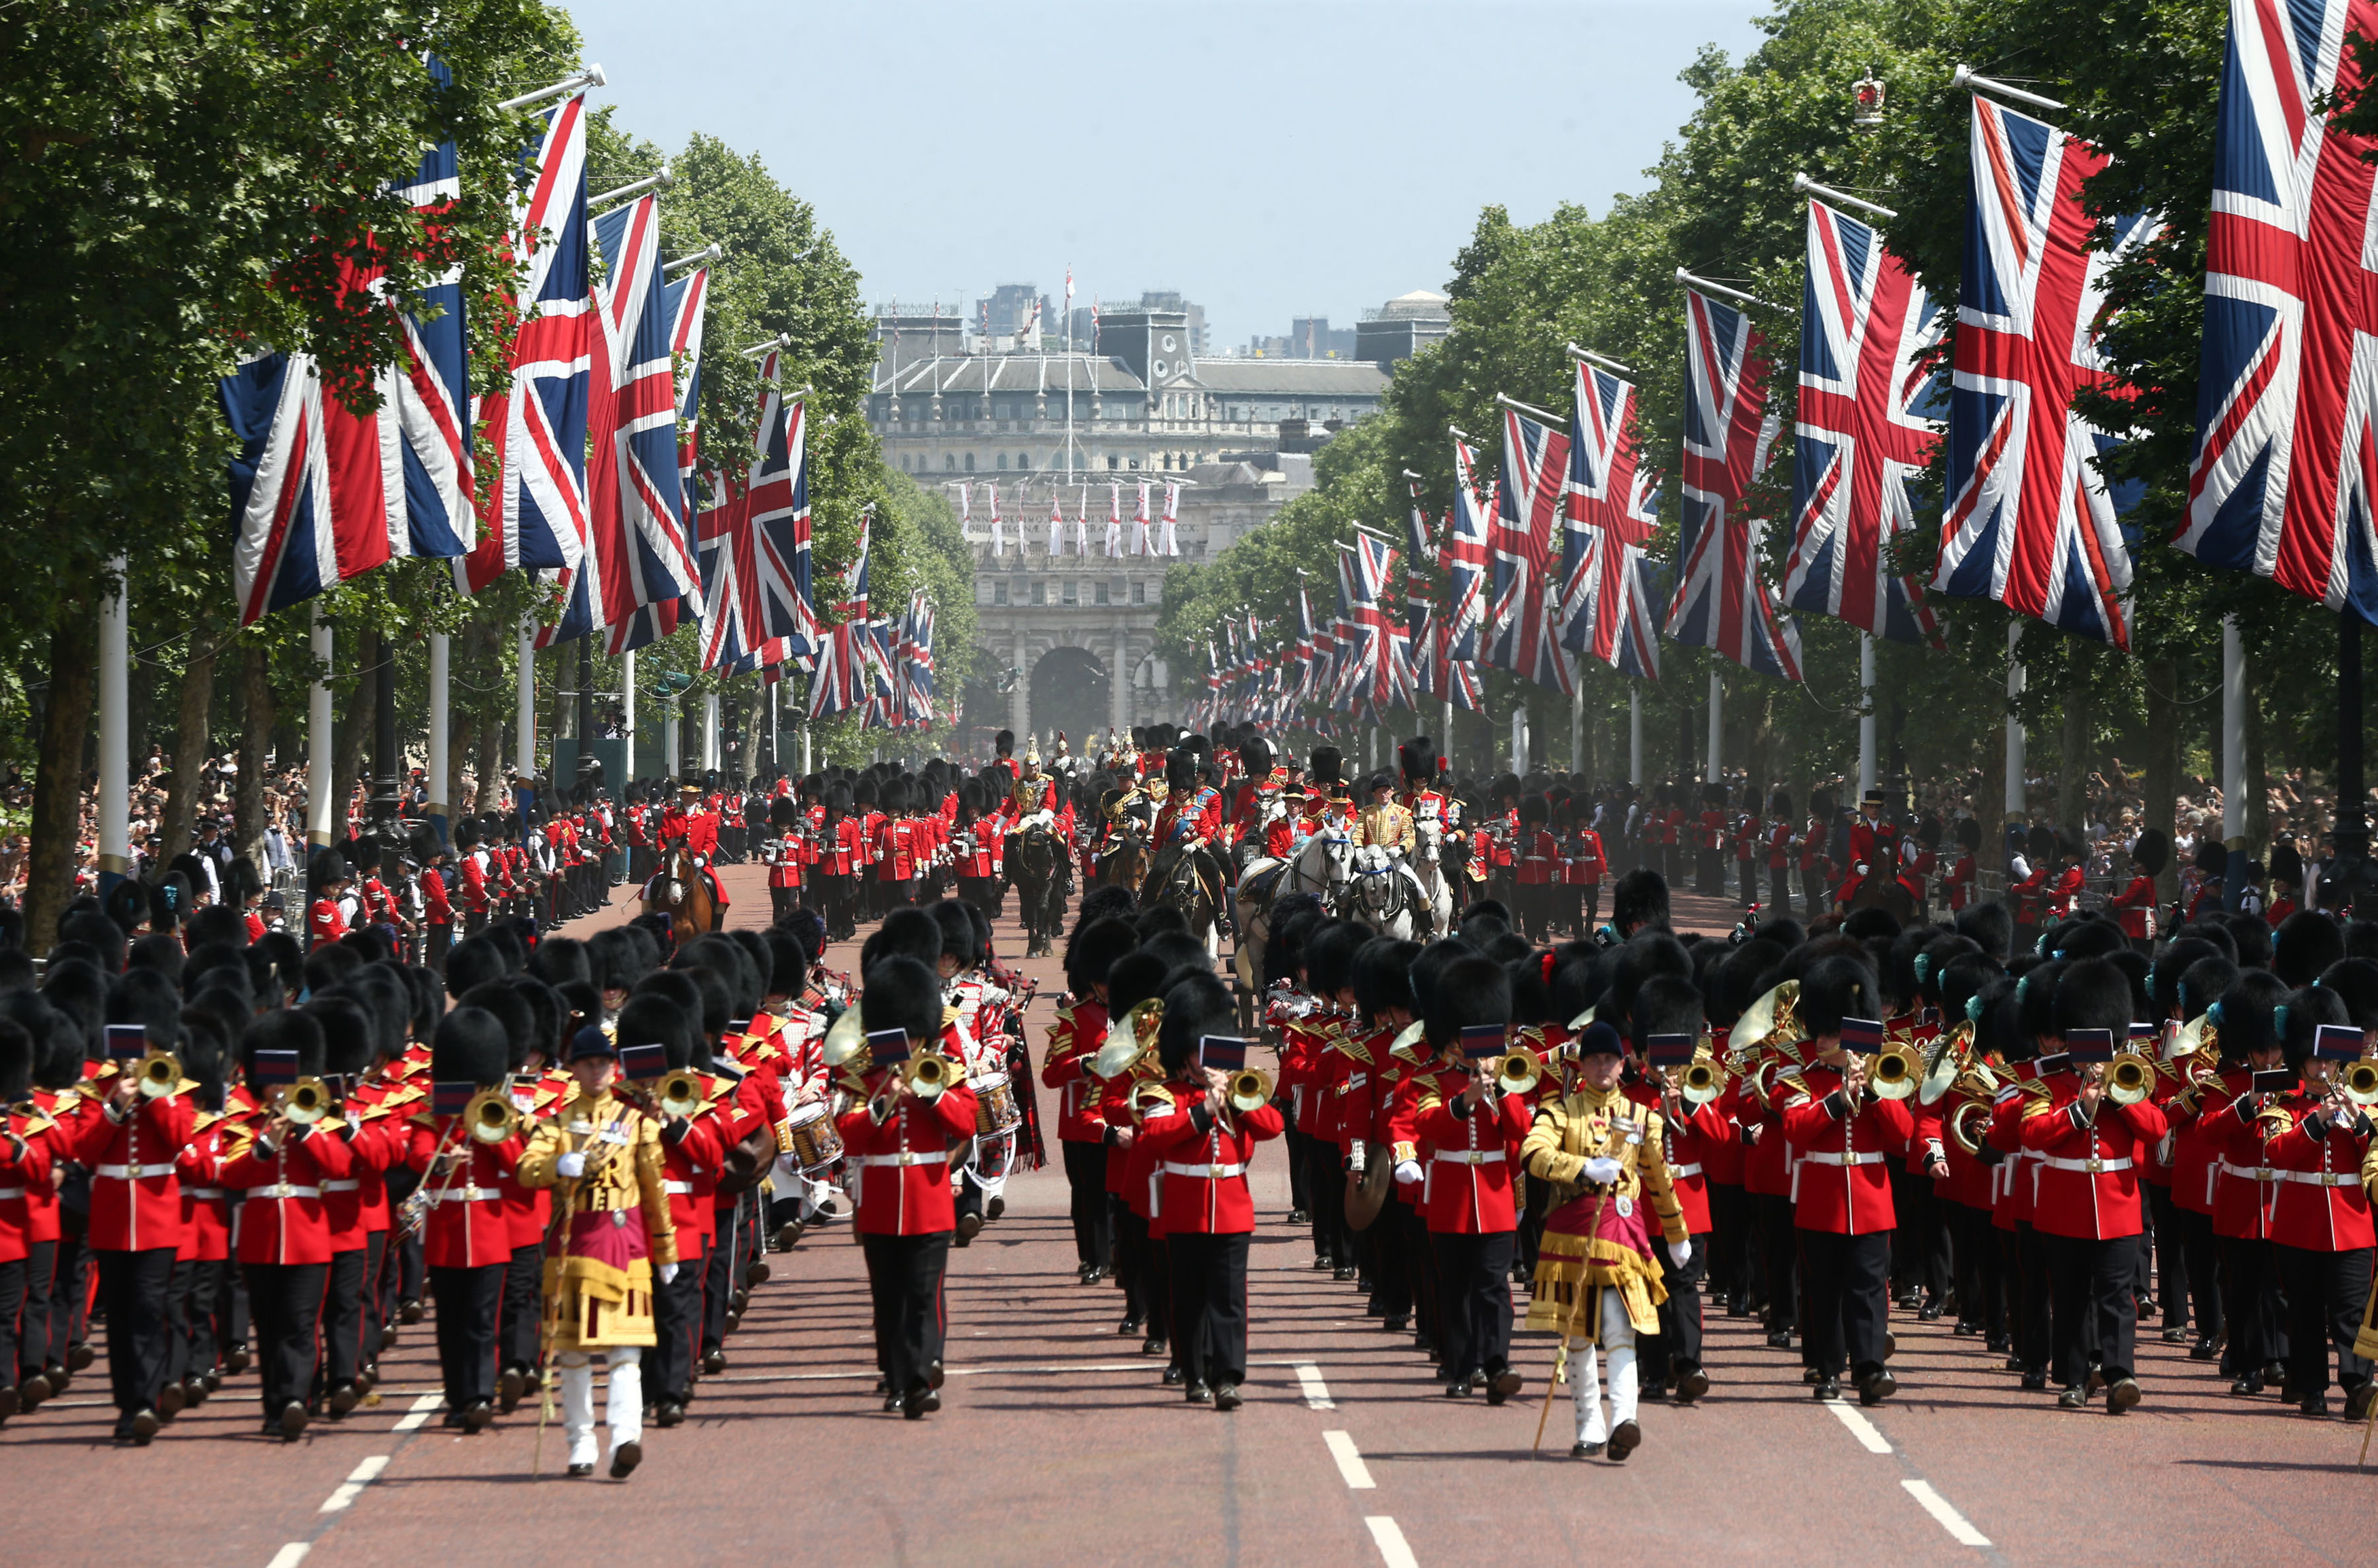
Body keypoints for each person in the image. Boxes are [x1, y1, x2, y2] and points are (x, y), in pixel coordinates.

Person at [516, 1024, 683, 1478]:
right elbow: (527, 1169)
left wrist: (666, 1248)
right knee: (572, 1355)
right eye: (589, 1064)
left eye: (604, 1064)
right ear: (574, 1070)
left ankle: (626, 1438)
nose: (598, 1072)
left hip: (624, 1242)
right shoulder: (556, 1124)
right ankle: (581, 1442)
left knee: (625, 1353)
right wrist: (558, 1165)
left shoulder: (636, 1124)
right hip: (575, 1241)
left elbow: (654, 1191)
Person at [1521, 1019, 1689, 1461]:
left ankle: (1624, 1419)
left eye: (1609, 1060)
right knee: (1576, 1336)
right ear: (1581, 1064)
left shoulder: (1642, 1117)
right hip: (1570, 1237)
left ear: (1621, 1065)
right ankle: (1590, 1424)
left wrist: (1676, 1233)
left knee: (1619, 1327)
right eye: (1593, 1060)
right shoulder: (1560, 1111)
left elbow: (1658, 1178)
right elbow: (1533, 1153)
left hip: (1621, 1235)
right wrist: (1581, 1169)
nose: (1601, 1068)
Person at [834, 955, 978, 1419]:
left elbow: (966, 1121)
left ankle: (920, 1378)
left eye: (913, 1035)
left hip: (930, 1202)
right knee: (888, 1298)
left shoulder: (943, 1070)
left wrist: (931, 1095)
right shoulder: (864, 1078)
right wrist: (885, 1098)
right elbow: (849, 1131)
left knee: (924, 1295)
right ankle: (895, 1380)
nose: (907, 1043)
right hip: (879, 1203)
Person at [1138, 971, 1282, 1410]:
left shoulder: (1241, 1090)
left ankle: (1228, 1376)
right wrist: (1203, 1110)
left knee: (1230, 1298)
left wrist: (1236, 1099)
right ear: (1186, 1053)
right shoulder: (1166, 1092)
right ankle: (1194, 1374)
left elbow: (1273, 1127)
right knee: (1189, 1297)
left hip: (1233, 1208)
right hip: (1184, 1207)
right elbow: (1156, 1136)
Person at [1778, 954, 1913, 1406]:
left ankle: (1871, 1367)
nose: (1821, 1041)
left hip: (1871, 1198)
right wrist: (1838, 1099)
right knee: (1825, 1288)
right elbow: (1796, 1130)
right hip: (1822, 1197)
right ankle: (1829, 1368)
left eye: (1831, 1034)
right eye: (1819, 1032)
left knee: (1869, 1286)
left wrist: (1872, 1091)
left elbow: (1903, 1136)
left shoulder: (1881, 1078)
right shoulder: (1804, 1080)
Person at [1394, 954, 1530, 1402]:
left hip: (1494, 1196)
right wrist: (1467, 1098)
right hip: (1450, 1197)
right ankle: (1460, 1366)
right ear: (1453, 1037)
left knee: (1494, 1287)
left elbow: (1522, 1133)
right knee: (1454, 1289)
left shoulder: (1508, 1080)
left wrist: (1500, 1091)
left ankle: (1497, 1365)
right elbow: (1428, 1128)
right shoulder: (1431, 1080)